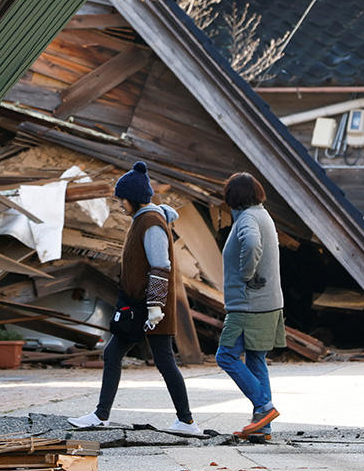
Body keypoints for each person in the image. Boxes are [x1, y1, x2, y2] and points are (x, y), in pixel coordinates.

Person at [68, 161, 201, 436]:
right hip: (138, 305)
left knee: (163, 362)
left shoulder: (151, 223)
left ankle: (187, 421)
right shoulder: (144, 219)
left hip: (150, 308)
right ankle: (102, 415)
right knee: (113, 354)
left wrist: (154, 306)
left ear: (134, 199)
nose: (120, 205)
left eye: (121, 200)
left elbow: (160, 265)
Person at [216, 172, 284, 440]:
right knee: (256, 360)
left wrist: (246, 274)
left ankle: (265, 408)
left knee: (226, 355)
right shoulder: (263, 214)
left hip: (248, 305)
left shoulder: (247, 218)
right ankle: (262, 429)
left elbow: (252, 243)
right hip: (268, 303)